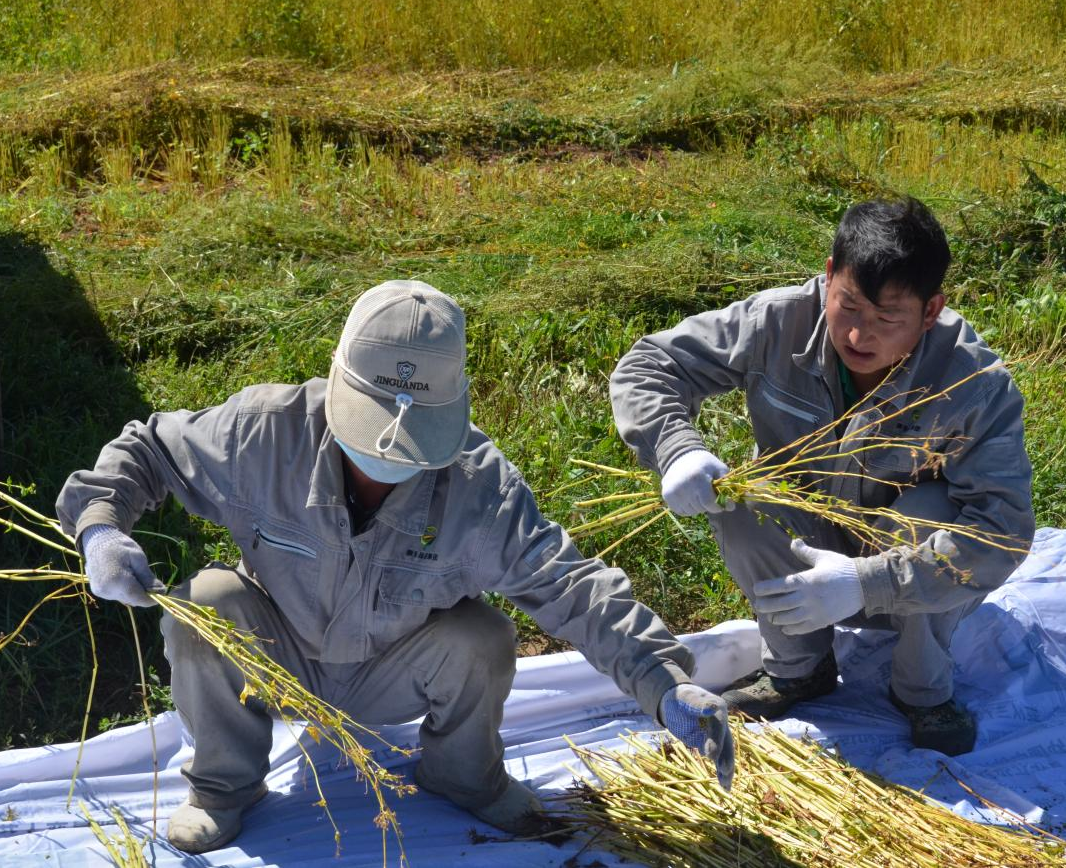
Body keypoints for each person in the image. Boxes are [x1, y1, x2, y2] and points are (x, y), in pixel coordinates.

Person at [56, 281, 733, 854]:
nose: (387, 453)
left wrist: (662, 680)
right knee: (203, 602)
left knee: (484, 638)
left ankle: (466, 778)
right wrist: (101, 528)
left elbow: (572, 586)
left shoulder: (478, 487)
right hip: (275, 654)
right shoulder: (265, 431)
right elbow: (147, 450)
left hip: (393, 669)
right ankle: (223, 785)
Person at [609, 197, 1034, 756]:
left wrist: (867, 582)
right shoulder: (777, 321)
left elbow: (1001, 529)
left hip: (908, 572)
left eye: (888, 320)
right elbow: (650, 366)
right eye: (849, 307)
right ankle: (797, 668)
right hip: (807, 536)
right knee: (739, 499)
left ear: (930, 312)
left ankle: (923, 691)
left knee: (927, 514)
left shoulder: (972, 383)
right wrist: (677, 449)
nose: (859, 336)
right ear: (829, 275)